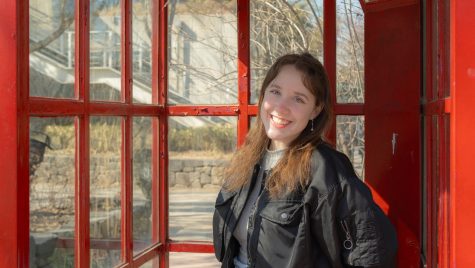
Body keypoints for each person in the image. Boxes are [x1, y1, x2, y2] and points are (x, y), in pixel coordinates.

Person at [212, 53, 398, 268]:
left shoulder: (325, 167)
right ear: (263, 96)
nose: (281, 107)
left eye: (298, 98)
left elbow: (371, 249)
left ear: (315, 110)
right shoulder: (248, 158)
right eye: (275, 92)